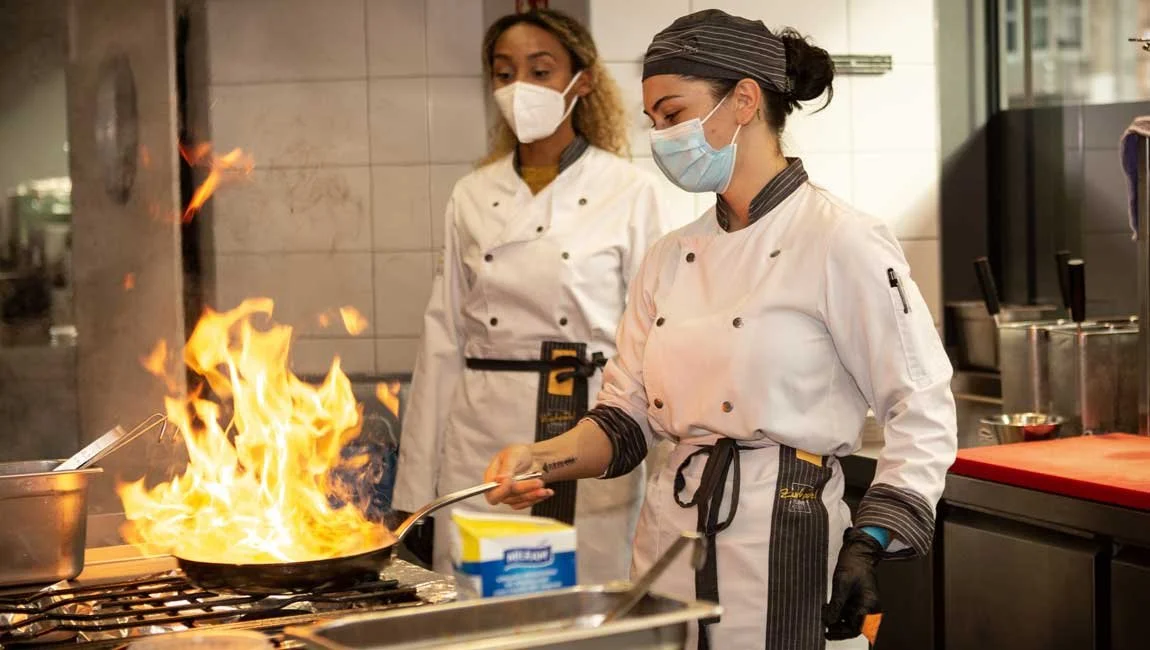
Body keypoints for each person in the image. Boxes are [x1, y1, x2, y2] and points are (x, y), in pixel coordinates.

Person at [481, 9, 958, 649]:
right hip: (669, 540)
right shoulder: (670, 254)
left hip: (785, 538)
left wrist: (869, 542)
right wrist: (543, 457)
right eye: (654, 121)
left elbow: (920, 406)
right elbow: (624, 421)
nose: (661, 137)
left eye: (673, 114)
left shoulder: (841, 240)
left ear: (743, 100)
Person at [391, 8, 674, 584]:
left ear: (582, 81)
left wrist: (671, 483)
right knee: (479, 606)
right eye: (504, 72)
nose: (520, 87)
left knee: (585, 599)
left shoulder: (630, 191)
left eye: (540, 71)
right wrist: (414, 494)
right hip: (481, 432)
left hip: (590, 424)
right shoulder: (471, 195)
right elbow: (443, 337)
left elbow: (657, 343)